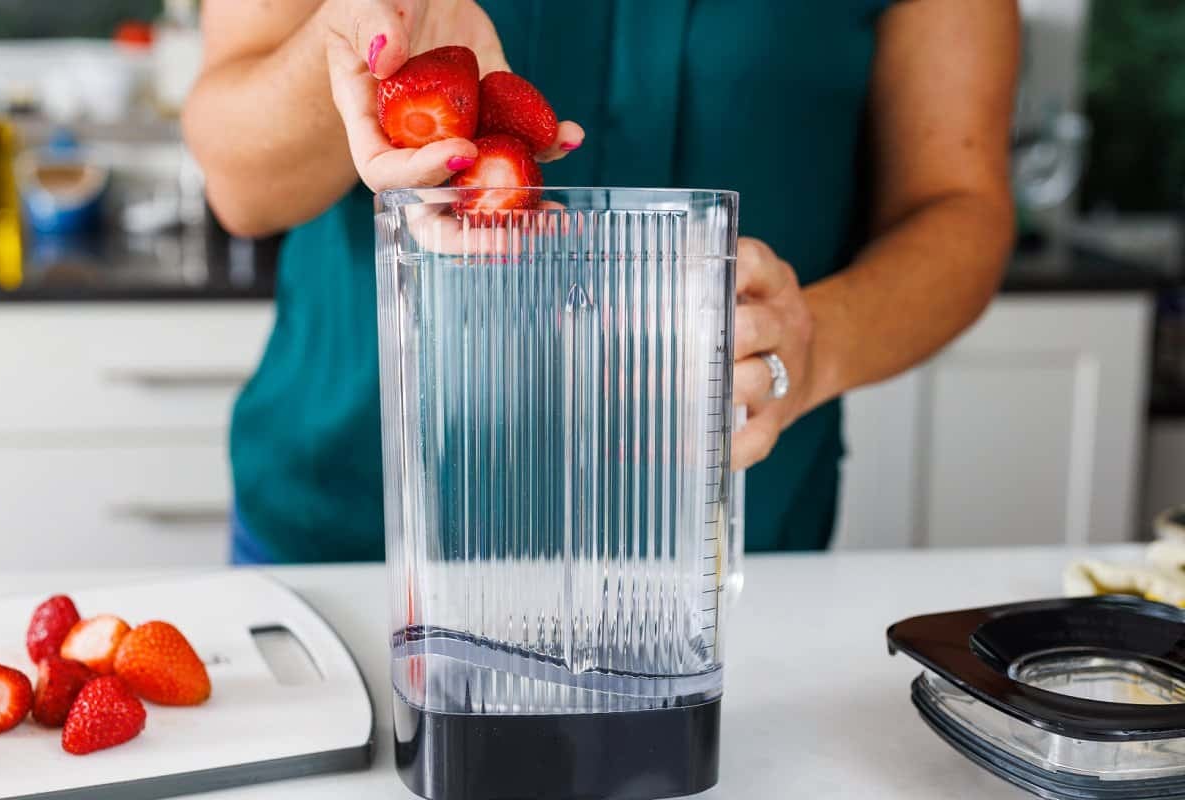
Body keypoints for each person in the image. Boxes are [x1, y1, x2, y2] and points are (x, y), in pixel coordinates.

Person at [184, 0, 1019, 564]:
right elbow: (244, 190)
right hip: (358, 542)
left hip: (721, 564)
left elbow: (960, 202)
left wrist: (818, 342)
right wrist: (361, 25)